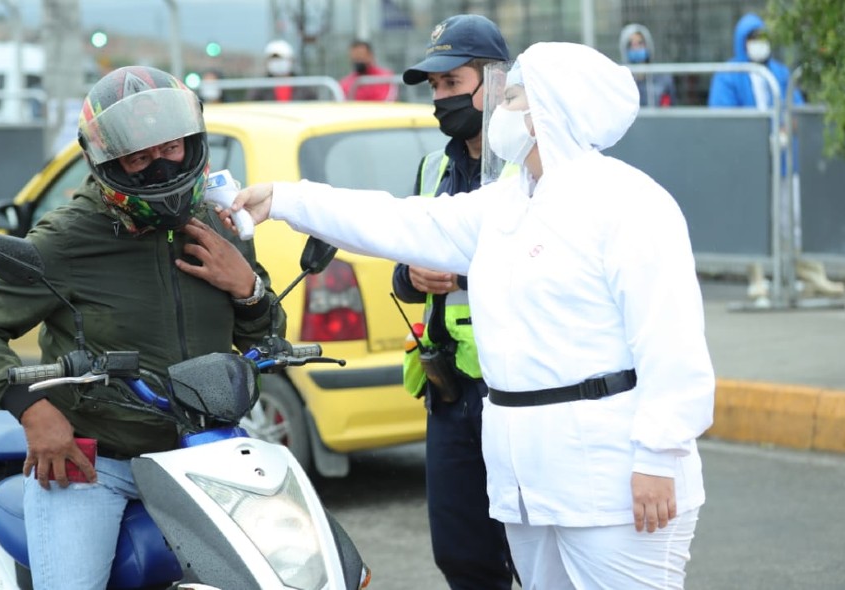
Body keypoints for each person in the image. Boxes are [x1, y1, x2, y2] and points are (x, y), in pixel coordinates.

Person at [224, 42, 715, 589]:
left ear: (550, 108)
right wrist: (286, 200)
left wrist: (658, 457)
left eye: (514, 98)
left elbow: (672, 345)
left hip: (613, 486)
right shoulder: (507, 203)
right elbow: (400, 222)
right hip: (527, 488)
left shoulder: (628, 203)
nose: (500, 108)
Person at [0, 65, 283, 589]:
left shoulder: (215, 222)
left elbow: (265, 339)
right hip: (97, 465)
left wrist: (248, 288)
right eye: (138, 156)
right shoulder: (70, 237)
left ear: (191, 141)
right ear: (106, 162)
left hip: (210, 455)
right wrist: (33, 411)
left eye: (169, 147)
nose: (158, 165)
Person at [390, 13, 515, 590]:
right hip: (449, 390)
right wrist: (414, 274)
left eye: (453, 83)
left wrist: (463, 277)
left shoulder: (529, 166)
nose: (442, 99)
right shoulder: (432, 166)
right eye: (435, 88)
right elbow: (403, 274)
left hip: (516, 389)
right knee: (461, 555)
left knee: (533, 551)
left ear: (494, 80)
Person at [709, 13, 844, 299]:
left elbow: (797, 110)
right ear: (741, 42)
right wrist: (757, 136)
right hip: (747, 166)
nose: (759, 44)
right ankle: (757, 278)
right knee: (752, 219)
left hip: (784, 161)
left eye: (763, 38)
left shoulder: (780, 72)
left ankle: (806, 274)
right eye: (753, 39)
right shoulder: (729, 74)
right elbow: (723, 117)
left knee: (791, 221)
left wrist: (785, 129)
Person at [618, 23, 675, 107]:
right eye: (631, 44)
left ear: (648, 45)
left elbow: (669, 108)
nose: (636, 48)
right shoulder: (620, 80)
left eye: (640, 43)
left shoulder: (663, 79)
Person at [245, 39, 319, 102]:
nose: (277, 63)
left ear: (291, 60)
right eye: (273, 59)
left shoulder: (304, 88)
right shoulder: (260, 89)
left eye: (280, 59)